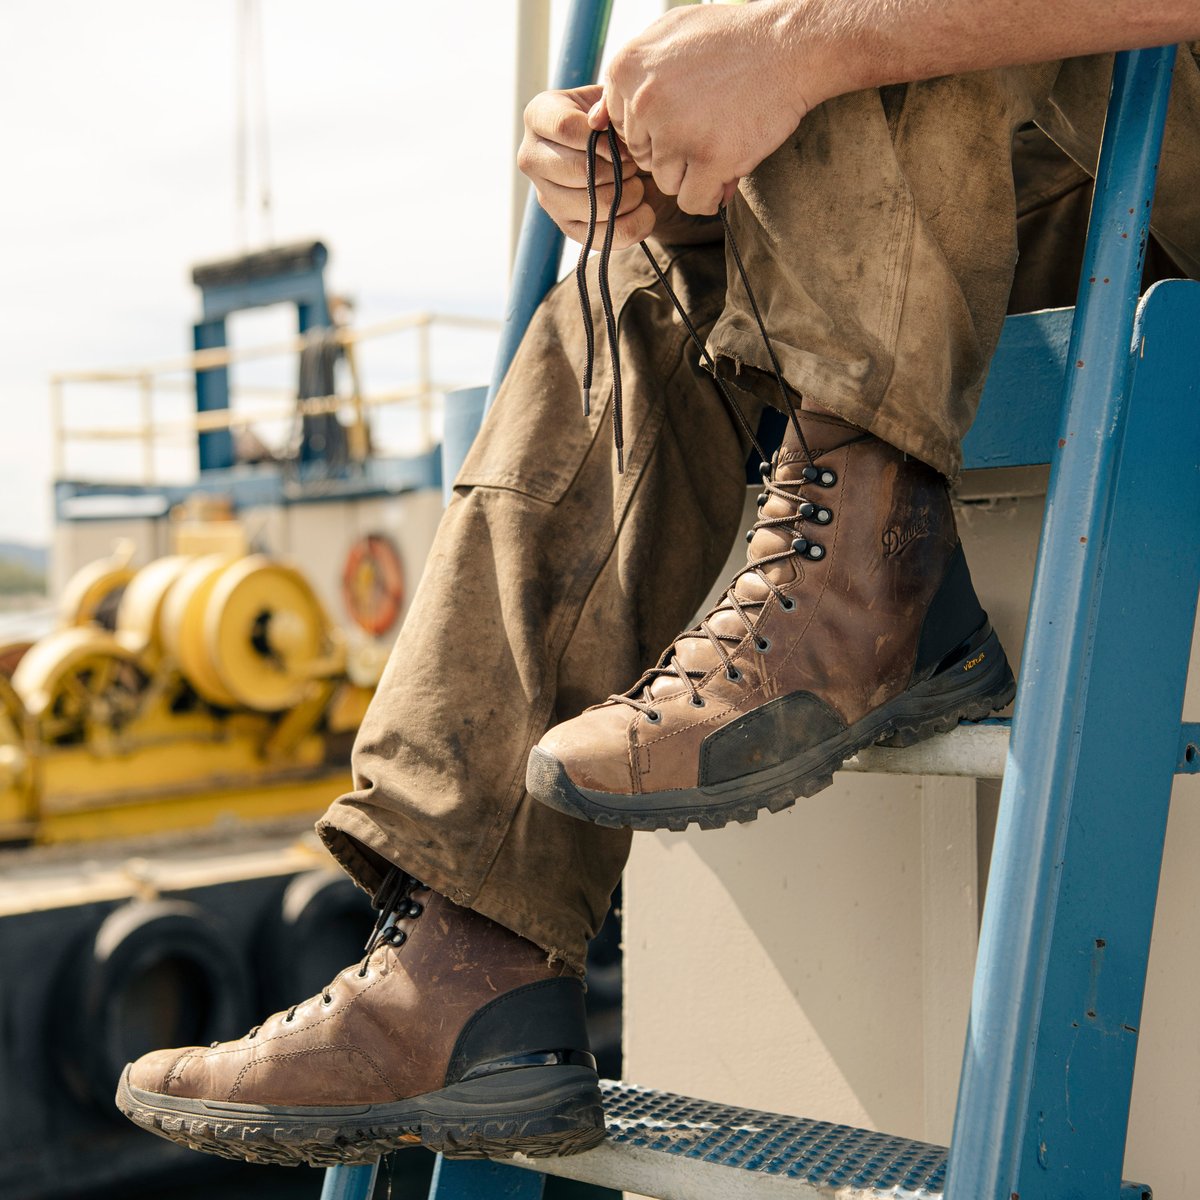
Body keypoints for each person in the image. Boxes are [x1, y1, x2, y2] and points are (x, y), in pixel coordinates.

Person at [116, 0, 1200, 1168]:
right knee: (643, 279)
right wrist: (666, 151)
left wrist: (792, 44)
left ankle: (869, 582)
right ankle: (471, 958)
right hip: (1067, 161)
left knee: (824, 41)